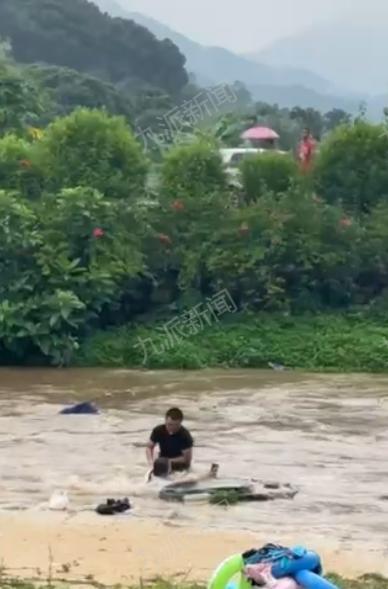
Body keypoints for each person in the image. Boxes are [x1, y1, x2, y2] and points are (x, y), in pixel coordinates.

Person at [146, 407, 194, 476]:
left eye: (176, 425)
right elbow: (149, 447)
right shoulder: (158, 430)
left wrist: (168, 461)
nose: (172, 428)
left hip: (179, 466)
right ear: (165, 420)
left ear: (180, 423)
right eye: (169, 424)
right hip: (162, 463)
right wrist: (151, 463)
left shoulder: (185, 435)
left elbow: (186, 460)